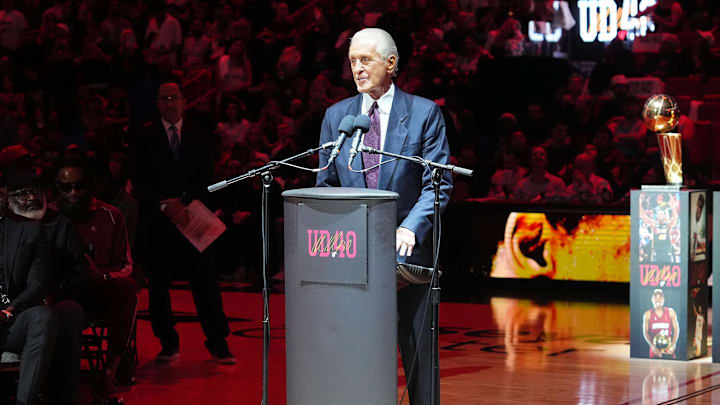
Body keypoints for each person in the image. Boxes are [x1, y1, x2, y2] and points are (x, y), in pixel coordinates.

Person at [316, 28, 452, 405]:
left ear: (391, 63)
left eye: (366, 60)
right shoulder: (337, 116)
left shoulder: (424, 113)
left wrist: (411, 226)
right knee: (356, 357)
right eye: (353, 62)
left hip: (410, 259)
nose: (357, 69)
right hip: (351, 258)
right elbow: (325, 185)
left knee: (419, 361)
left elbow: (437, 185)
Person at [131, 81, 235, 364]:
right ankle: (167, 342)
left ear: (183, 101)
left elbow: (207, 179)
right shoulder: (144, 137)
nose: (169, 102)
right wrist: (164, 203)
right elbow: (139, 181)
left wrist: (186, 201)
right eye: (163, 97)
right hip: (159, 222)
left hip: (193, 218)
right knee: (159, 285)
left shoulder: (199, 136)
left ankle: (218, 342)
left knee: (206, 283)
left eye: (174, 97)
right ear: (157, 103)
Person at [50, 157, 138, 396]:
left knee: (127, 288)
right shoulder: (49, 217)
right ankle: (61, 380)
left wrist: (102, 276)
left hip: (99, 286)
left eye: (79, 186)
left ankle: (110, 371)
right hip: (62, 292)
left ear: (89, 187)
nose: (73, 193)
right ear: (57, 188)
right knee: (69, 309)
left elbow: (126, 265)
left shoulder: (111, 215)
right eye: (66, 188)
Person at [6, 170, 87, 405]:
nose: (29, 198)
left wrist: (54, 294)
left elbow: (79, 273)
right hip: (13, 310)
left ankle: (64, 395)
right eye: (21, 194)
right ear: (8, 199)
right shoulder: (6, 226)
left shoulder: (60, 224)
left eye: (34, 192)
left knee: (70, 311)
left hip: (51, 299)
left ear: (45, 194)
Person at [0, 177, 66, 405]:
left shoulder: (29, 231)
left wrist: (9, 309)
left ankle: (24, 402)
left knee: (44, 317)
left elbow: (37, 283)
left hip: (10, 319)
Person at [642, 289, 679, 359]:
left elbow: (676, 330)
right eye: (655, 297)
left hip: (668, 350)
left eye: (660, 297)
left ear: (663, 299)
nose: (658, 299)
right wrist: (652, 346)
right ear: (652, 299)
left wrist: (673, 344)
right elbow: (645, 332)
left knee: (670, 369)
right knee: (653, 369)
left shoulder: (671, 312)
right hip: (655, 350)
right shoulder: (648, 314)